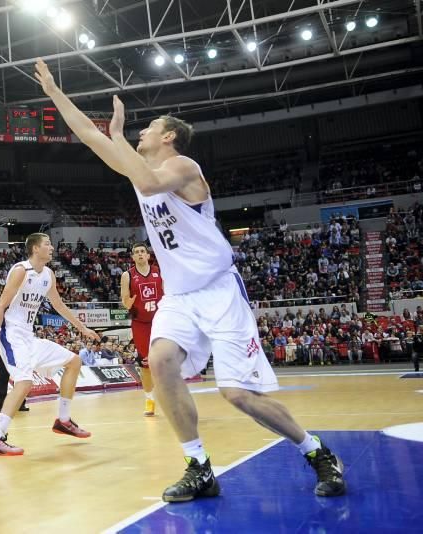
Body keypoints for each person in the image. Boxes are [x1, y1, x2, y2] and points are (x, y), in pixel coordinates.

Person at [35, 58, 345, 501]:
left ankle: (316, 452)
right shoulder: (144, 167)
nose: (140, 133)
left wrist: (118, 137)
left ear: (169, 136)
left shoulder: (183, 166)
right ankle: (199, 466)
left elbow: (142, 177)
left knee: (238, 395)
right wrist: (54, 93)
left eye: (148, 129)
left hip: (219, 291)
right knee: (160, 363)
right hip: (179, 296)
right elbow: (88, 134)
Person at [0, 233, 100, 456]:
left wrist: (82, 328)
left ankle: (63, 420)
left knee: (74, 362)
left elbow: (59, 305)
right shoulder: (20, 271)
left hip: (29, 337)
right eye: (47, 244)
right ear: (35, 249)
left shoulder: (48, 275)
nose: (52, 248)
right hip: (11, 335)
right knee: (24, 382)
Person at [120, 242, 163, 417]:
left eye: (142, 252)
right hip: (140, 323)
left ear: (147, 255)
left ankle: (170, 396)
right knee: (145, 364)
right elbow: (124, 299)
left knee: (166, 360)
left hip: (160, 320)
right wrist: (127, 304)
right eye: (136, 252)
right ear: (132, 257)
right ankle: (150, 400)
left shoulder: (159, 271)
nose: (139, 254)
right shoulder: (127, 275)